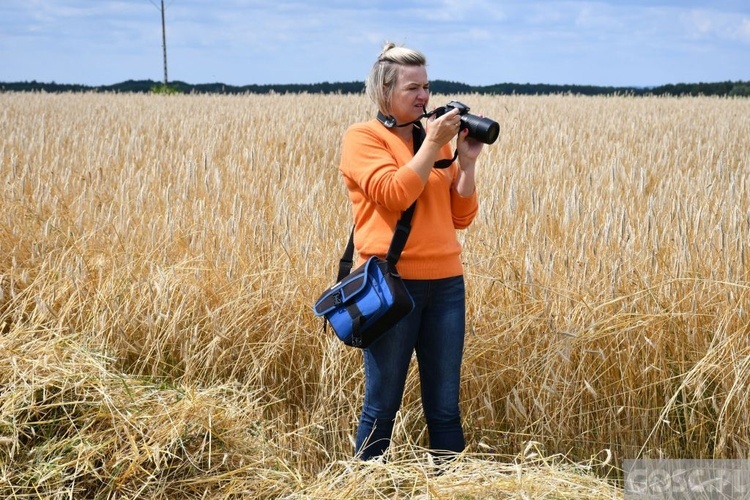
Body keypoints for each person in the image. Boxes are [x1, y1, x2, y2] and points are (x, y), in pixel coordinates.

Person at [338, 42, 485, 460]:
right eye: (412, 88)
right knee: (382, 406)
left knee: (444, 410)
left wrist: (467, 163)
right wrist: (431, 144)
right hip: (390, 286)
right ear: (385, 93)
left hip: (446, 287)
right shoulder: (362, 138)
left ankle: (453, 489)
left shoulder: (435, 140)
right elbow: (395, 194)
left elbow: (461, 216)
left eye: (427, 86)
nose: (424, 96)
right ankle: (364, 486)